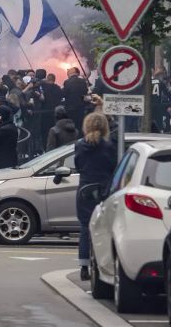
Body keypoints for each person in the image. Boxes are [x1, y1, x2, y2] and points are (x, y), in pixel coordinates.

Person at [75, 112, 117, 280]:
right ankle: (102, 264)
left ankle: (84, 266)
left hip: (86, 188)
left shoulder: (79, 145)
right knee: (105, 228)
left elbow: (78, 166)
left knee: (85, 228)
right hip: (105, 188)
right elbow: (113, 165)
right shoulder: (109, 145)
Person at [0, 105, 19, 170]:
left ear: (1, 116)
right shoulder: (10, 126)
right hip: (10, 159)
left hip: (2, 161)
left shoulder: (4, 129)